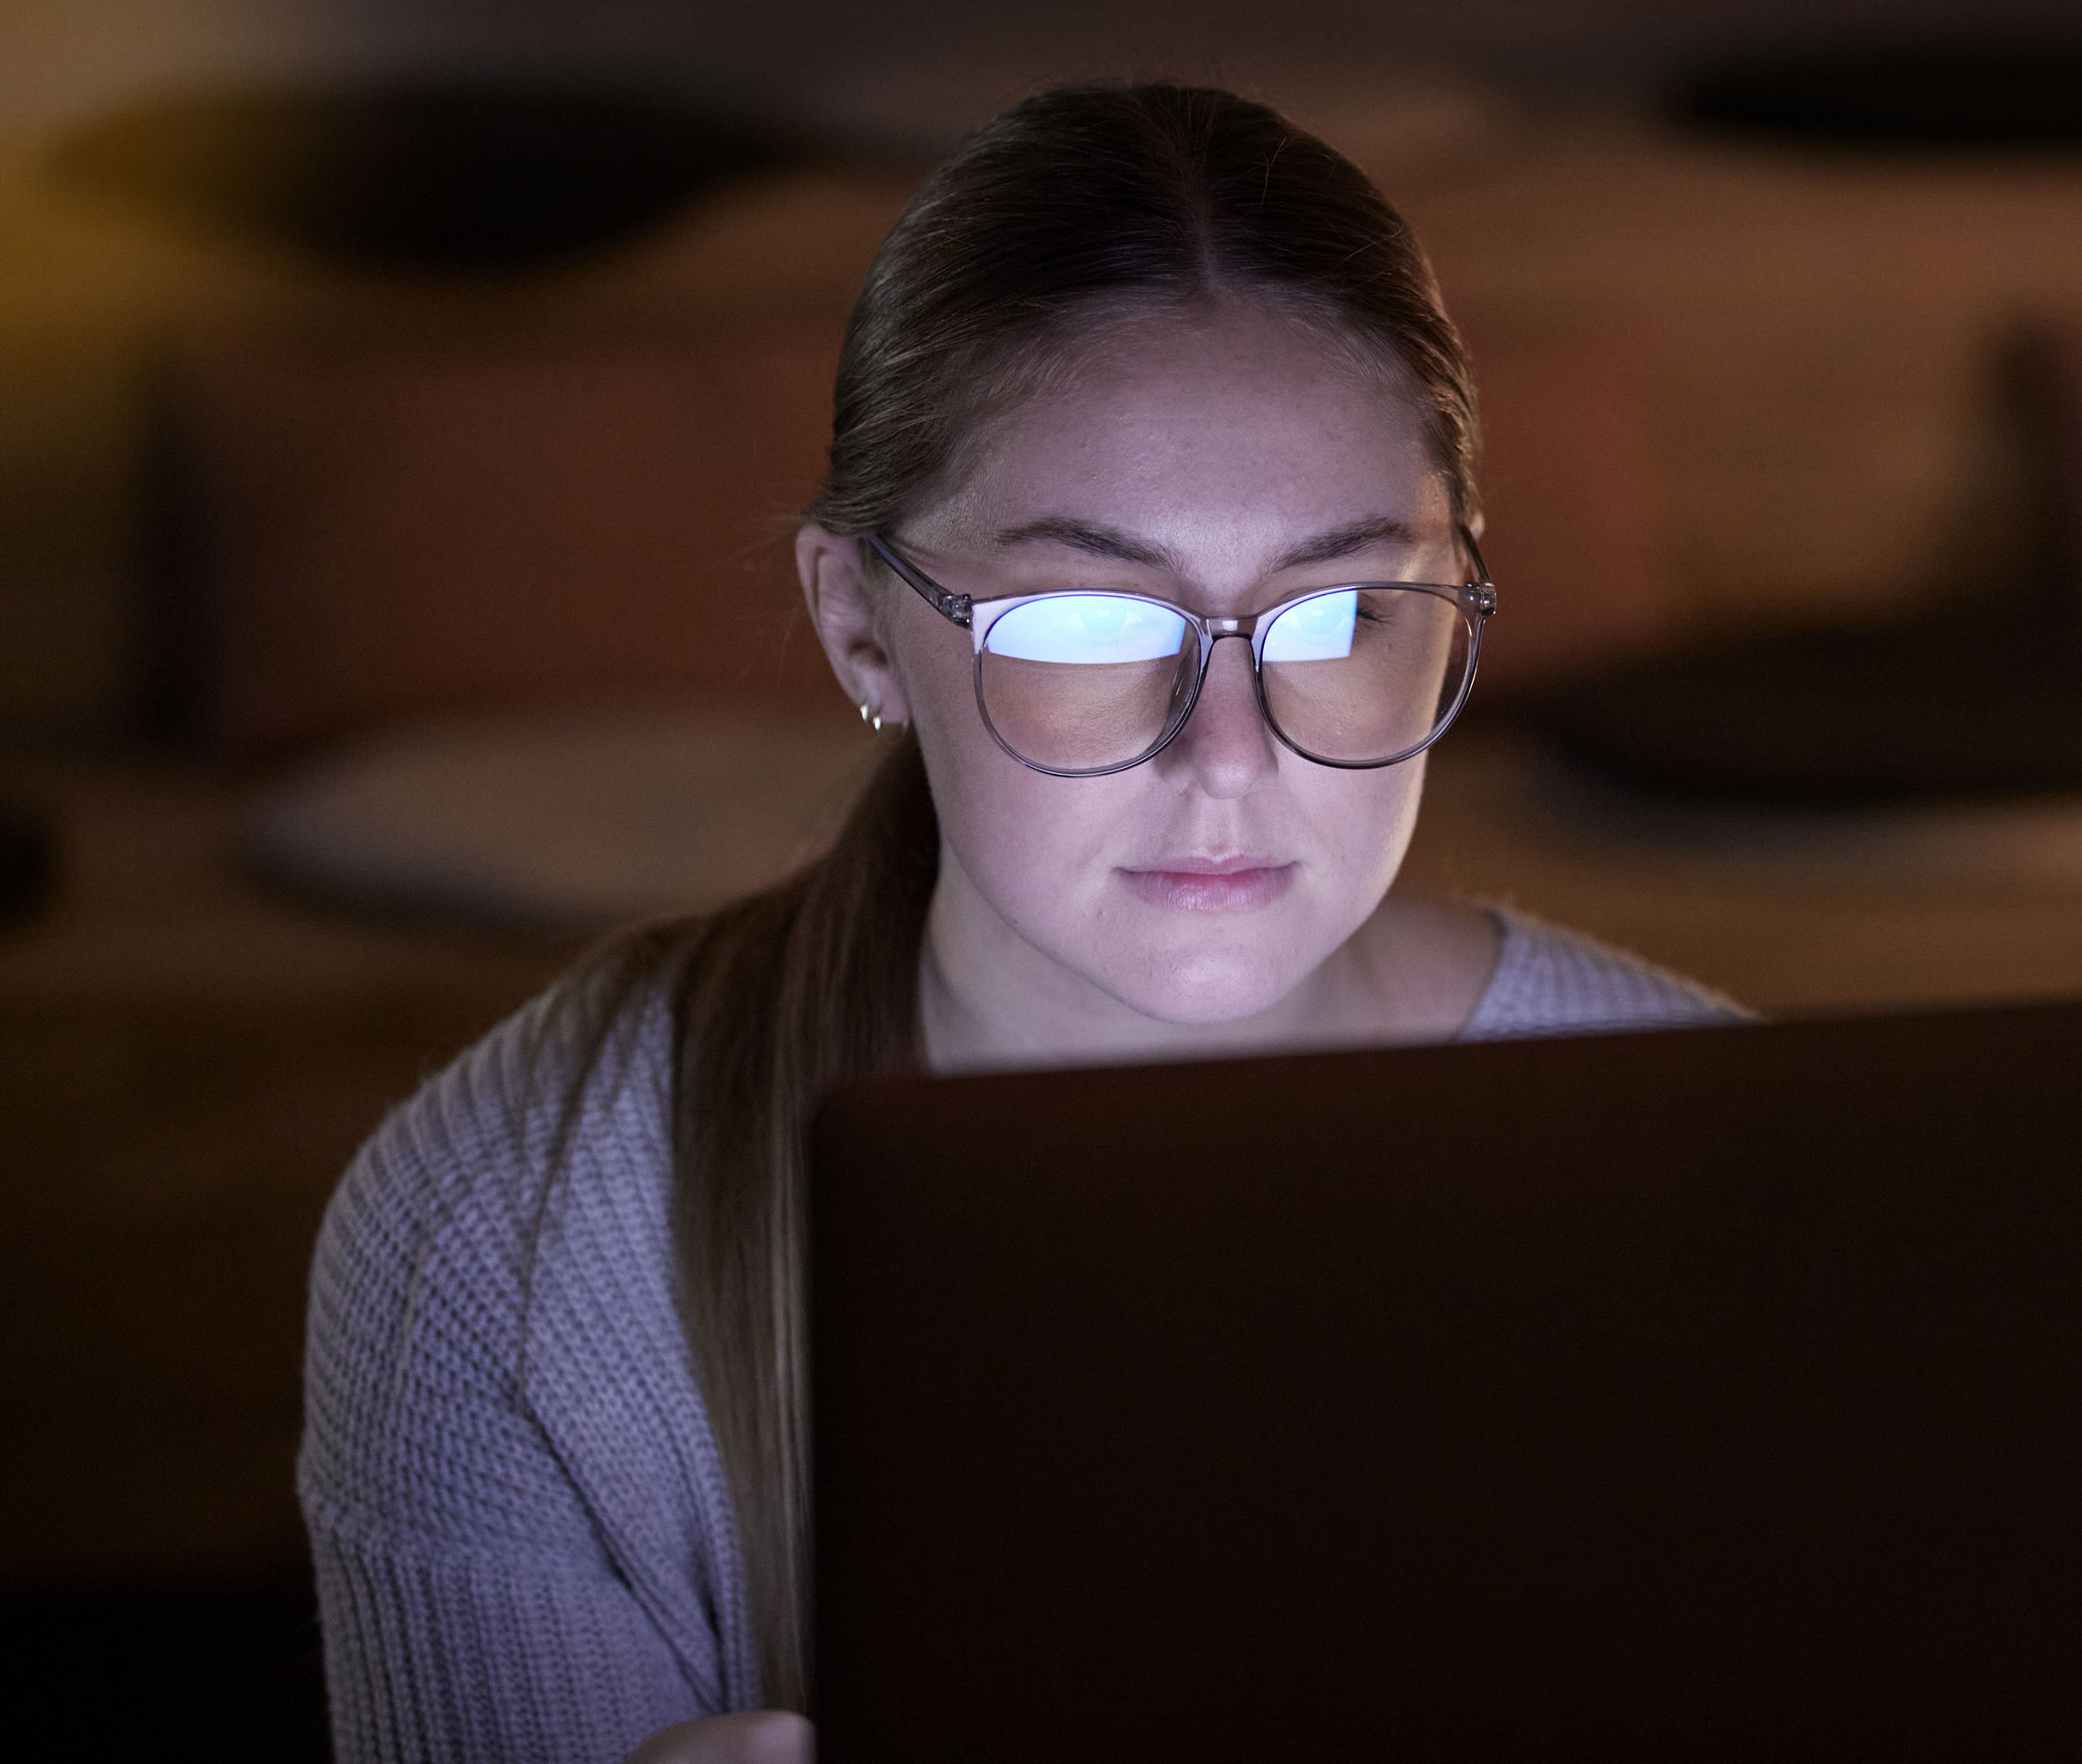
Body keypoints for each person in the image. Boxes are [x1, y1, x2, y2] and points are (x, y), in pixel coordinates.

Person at [298, 80, 1739, 1764]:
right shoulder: (507, 1242)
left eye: (1340, 605)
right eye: (1082, 614)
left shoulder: (1738, 1163)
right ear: (858, 627)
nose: (1229, 751)